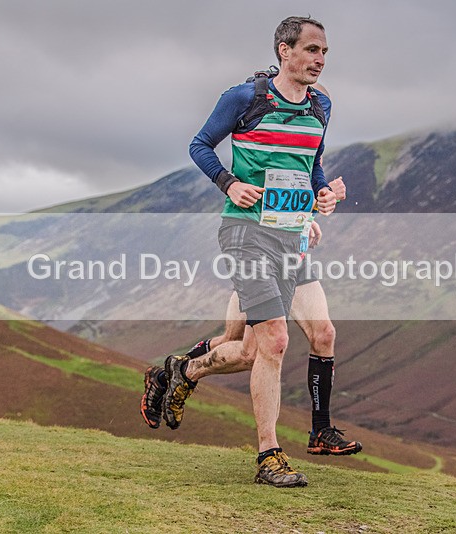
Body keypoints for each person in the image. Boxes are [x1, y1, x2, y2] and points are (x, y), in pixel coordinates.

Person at [160, 15, 340, 488]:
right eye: (311, 50)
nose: (319, 60)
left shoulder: (321, 106)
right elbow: (200, 145)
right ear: (285, 50)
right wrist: (230, 182)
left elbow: (310, 165)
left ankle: (186, 369)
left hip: (290, 236)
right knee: (276, 340)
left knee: (250, 346)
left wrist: (319, 198)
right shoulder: (245, 98)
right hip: (246, 233)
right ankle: (269, 456)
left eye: (324, 52)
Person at [141, 176, 363, 461]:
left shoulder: (310, 140)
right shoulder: (261, 139)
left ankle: (320, 430)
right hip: (260, 258)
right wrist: (315, 206)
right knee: (242, 348)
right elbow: (270, 190)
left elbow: (300, 187)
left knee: (324, 334)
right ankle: (173, 374)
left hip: (295, 259)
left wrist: (315, 210)